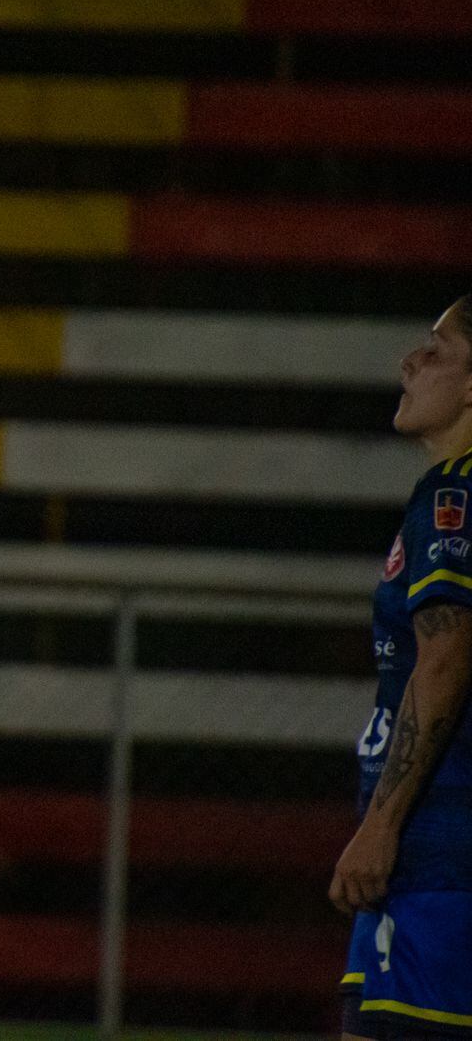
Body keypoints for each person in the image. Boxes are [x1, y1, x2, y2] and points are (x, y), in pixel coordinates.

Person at [330, 297, 472, 1040]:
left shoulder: (455, 496)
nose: (409, 362)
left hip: (440, 862)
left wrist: (382, 827)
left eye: (437, 350)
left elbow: (445, 659)